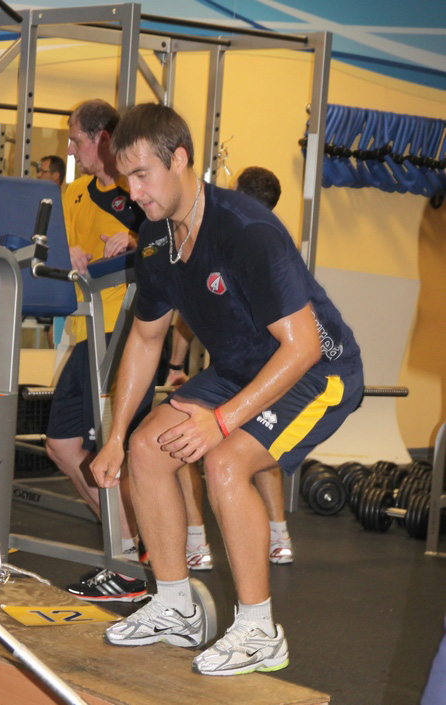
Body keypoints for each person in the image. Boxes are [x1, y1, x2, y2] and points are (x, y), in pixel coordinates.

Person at [90, 102, 364, 676]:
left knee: (225, 464)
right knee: (146, 448)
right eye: (124, 177)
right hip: (241, 366)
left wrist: (220, 421)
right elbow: (145, 339)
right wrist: (114, 435)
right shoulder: (156, 238)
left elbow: (303, 348)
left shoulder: (246, 230)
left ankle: (260, 631)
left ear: (179, 159)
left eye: (141, 175)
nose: (132, 192)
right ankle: (175, 607)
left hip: (317, 371)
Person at [45, 99, 152, 602]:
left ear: (101, 139)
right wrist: (60, 251)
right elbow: (49, 249)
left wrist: (132, 240)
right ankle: (127, 549)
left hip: (121, 332)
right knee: (63, 447)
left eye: (75, 140)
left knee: (113, 453)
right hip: (84, 328)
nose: (70, 150)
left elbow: (170, 242)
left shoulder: (138, 195)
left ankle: (131, 564)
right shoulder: (72, 193)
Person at [166, 166, 292, 570]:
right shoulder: (274, 240)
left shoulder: (235, 239)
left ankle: (198, 543)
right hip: (265, 372)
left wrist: (174, 364)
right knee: (258, 452)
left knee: (187, 441)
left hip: (248, 372)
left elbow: (191, 314)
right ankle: (279, 538)